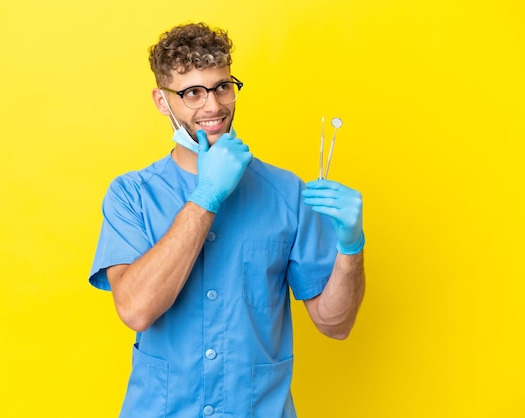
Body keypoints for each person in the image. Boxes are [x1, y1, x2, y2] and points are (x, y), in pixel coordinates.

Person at [89, 22, 365, 418]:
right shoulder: (131, 194)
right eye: (192, 93)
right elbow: (135, 309)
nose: (213, 106)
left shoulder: (285, 192)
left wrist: (350, 246)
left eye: (222, 87)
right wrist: (207, 197)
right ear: (162, 101)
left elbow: (335, 324)